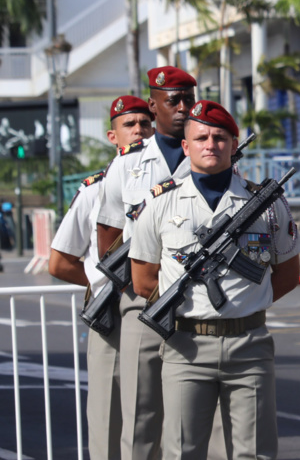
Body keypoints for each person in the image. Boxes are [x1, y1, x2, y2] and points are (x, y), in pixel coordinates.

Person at [129, 100, 300, 458]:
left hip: (249, 344)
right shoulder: (160, 202)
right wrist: (192, 304)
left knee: (256, 452)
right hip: (185, 346)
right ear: (186, 146)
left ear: (234, 144)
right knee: (182, 451)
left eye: (220, 138)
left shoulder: (265, 204)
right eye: (202, 137)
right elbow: (143, 279)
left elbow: (288, 273)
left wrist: (246, 304)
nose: (211, 144)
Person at [97, 66, 196, 459]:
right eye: (174, 100)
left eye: (188, 99)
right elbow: (108, 237)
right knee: (140, 419)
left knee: (193, 424)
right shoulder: (127, 163)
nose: (183, 107)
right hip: (141, 303)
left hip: (194, 302)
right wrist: (135, 287)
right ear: (154, 107)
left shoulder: (209, 155)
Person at [49, 95, 153, 460]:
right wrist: (104, 283)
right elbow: (60, 262)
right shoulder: (95, 189)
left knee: (159, 420)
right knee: (110, 419)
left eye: (145, 124)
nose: (139, 130)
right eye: (129, 125)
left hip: (160, 308)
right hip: (113, 315)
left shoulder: (170, 185)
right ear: (113, 136)